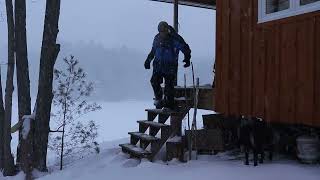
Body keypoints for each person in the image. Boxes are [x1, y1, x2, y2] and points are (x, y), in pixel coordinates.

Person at [144, 21, 191, 110]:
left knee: (169, 86)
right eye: (160, 32)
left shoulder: (174, 38)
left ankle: (169, 104)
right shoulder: (157, 38)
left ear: (167, 29)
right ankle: (159, 99)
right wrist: (148, 60)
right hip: (158, 66)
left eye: (163, 31)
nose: (162, 34)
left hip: (170, 67)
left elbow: (185, 47)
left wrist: (187, 58)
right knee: (154, 81)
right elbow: (153, 51)